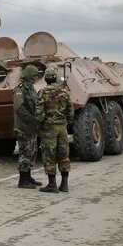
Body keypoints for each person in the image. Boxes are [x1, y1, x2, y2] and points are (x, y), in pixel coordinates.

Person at [37, 64, 74, 193]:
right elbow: (70, 109)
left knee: (49, 155)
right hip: (62, 127)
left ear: (46, 79)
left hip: (49, 129)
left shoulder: (42, 92)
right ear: (55, 78)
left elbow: (39, 112)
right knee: (64, 155)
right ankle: (64, 184)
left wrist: (39, 125)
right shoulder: (64, 92)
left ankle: (52, 184)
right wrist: (68, 123)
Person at [12, 64, 44, 189]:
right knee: (25, 153)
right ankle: (23, 180)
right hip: (24, 126)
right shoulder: (20, 89)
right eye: (35, 75)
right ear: (31, 75)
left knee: (31, 151)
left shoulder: (31, 88)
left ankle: (28, 177)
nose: (37, 77)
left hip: (31, 127)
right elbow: (19, 107)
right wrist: (31, 119)